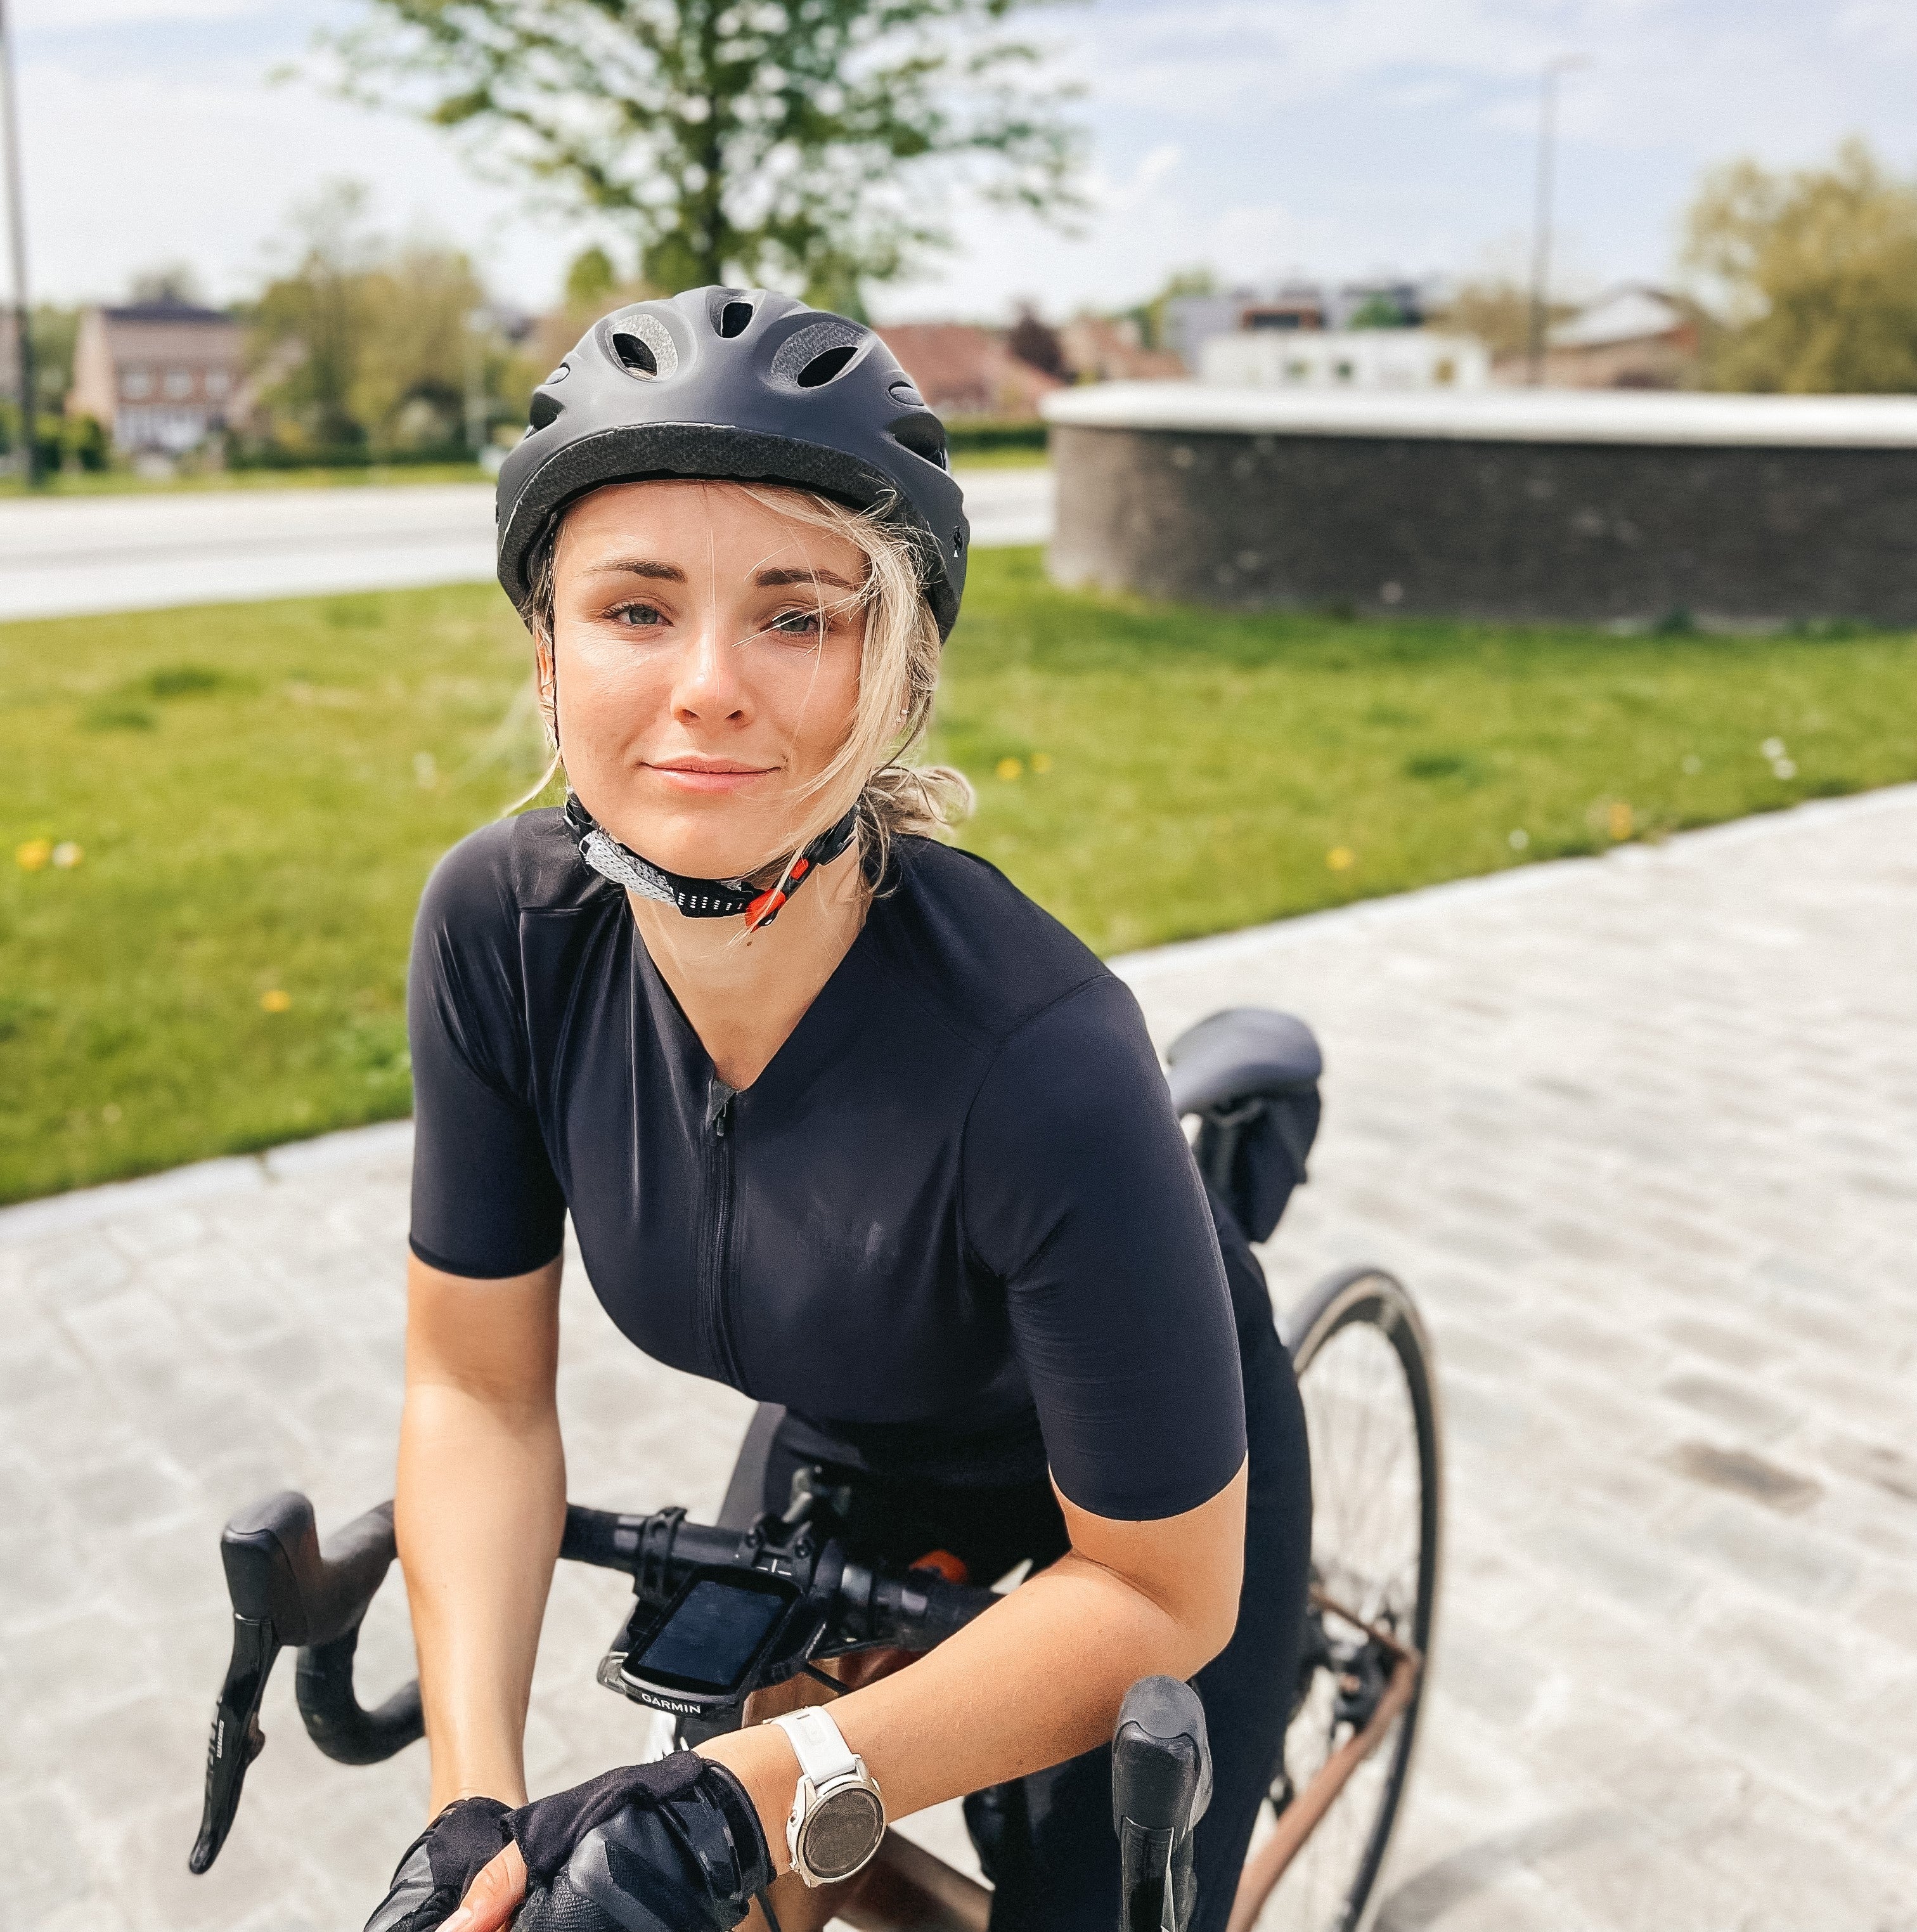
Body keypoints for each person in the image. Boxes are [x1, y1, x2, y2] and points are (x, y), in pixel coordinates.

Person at [366, 286, 1312, 1932]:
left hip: (1149, 1531)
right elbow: (476, 1392)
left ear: (901, 663)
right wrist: (473, 1811)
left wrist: (754, 1794)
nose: (711, 685)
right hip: (862, 1434)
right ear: (548, 654)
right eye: (637, 610)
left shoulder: (1042, 1049)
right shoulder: (499, 940)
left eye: (796, 615)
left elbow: (1158, 1593)